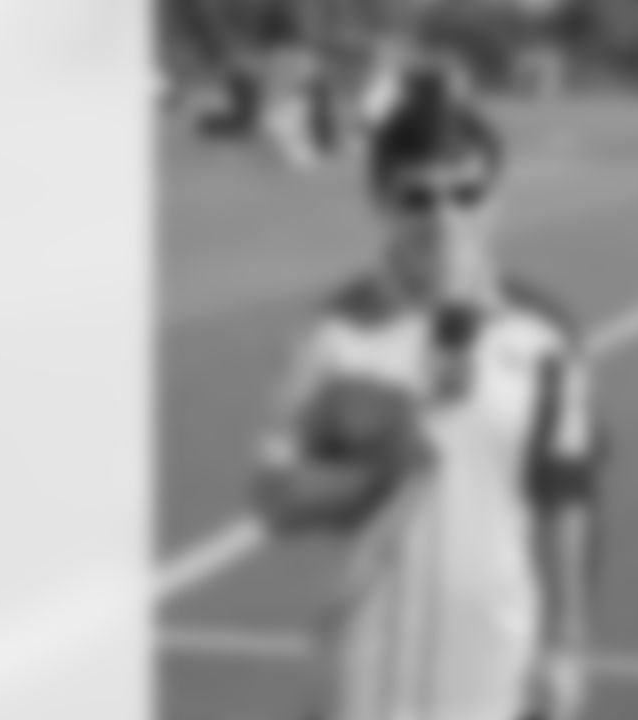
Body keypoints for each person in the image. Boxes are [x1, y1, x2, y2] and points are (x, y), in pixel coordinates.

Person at [251, 74, 603, 720]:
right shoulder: (331, 335)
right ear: (381, 203)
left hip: (494, 677)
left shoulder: (546, 338)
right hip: (363, 677)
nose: (444, 218)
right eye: (417, 197)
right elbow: (274, 503)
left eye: (466, 193)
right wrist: (384, 461)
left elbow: (565, 501)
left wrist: (566, 646)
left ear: (497, 199)